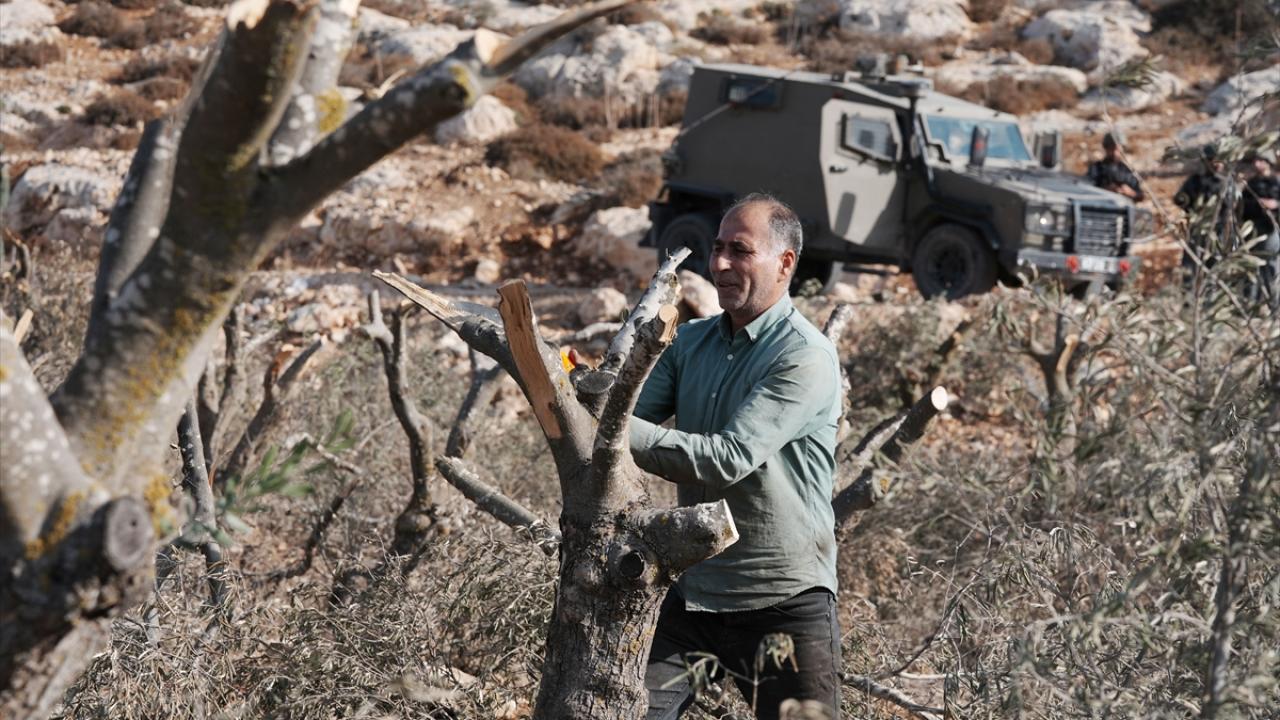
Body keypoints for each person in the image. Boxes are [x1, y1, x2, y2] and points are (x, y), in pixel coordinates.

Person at [630, 193, 843, 720]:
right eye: (717, 247)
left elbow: (727, 458)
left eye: (740, 251)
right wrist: (575, 393)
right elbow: (627, 411)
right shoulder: (690, 342)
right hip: (695, 591)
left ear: (785, 263)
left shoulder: (804, 356)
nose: (720, 264)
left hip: (783, 600)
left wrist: (607, 431)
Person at [1173, 144, 1227, 283]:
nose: (1217, 164)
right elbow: (1179, 199)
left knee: (1214, 271)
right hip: (1198, 230)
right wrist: (1193, 210)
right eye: (1214, 160)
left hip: (1218, 232)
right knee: (1190, 269)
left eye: (1220, 160)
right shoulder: (1196, 181)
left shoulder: (1226, 183)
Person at [1241, 150, 1280, 309]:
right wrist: (1258, 204)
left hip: (1271, 231)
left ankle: (1273, 307)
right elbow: (1241, 208)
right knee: (1251, 269)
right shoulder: (1251, 185)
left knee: (1271, 268)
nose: (1256, 164)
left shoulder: (1276, 183)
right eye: (1254, 161)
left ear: (1268, 162)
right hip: (1253, 232)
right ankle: (1250, 306)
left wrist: (1275, 205)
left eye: (1260, 160)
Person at [1087, 132, 1145, 201]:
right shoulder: (1096, 168)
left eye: (1118, 149)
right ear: (1106, 148)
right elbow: (1086, 190)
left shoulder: (1127, 170)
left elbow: (1140, 195)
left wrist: (1131, 193)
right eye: (1112, 149)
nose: (1115, 153)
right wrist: (1105, 190)